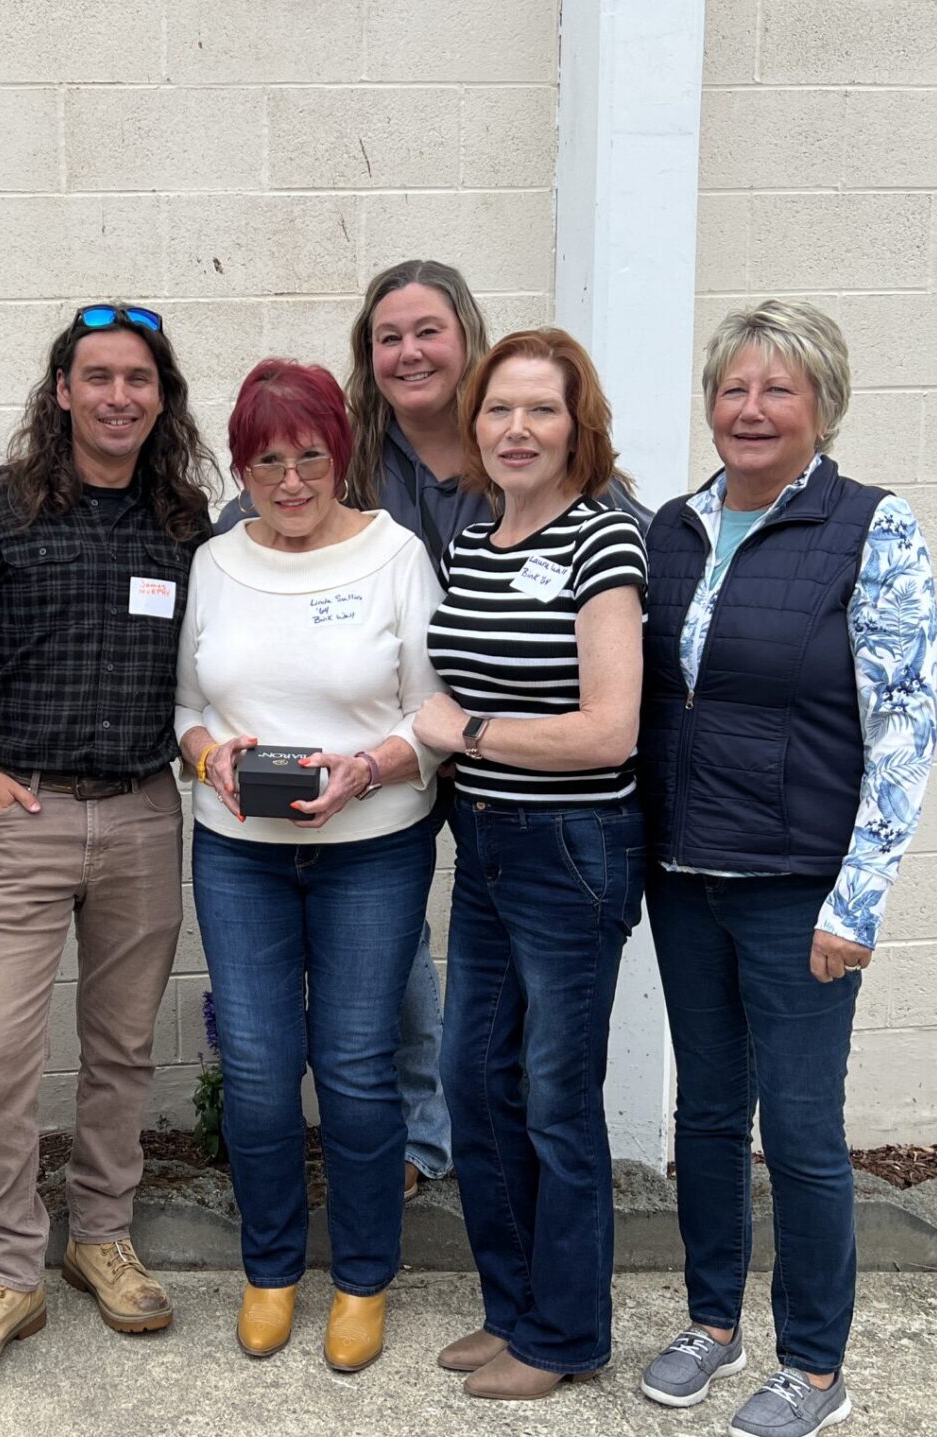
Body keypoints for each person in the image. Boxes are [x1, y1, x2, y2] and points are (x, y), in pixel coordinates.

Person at [634, 299, 937, 1437]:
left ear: (821, 406)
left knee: (800, 1128)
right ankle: (713, 1323)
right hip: (683, 875)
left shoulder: (871, 528)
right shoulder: (670, 527)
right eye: (732, 388)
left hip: (799, 886)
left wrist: (856, 898)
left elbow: (904, 722)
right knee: (705, 1114)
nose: (749, 409)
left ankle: (813, 1362)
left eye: (776, 390)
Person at [0, 305, 216, 1381]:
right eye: (97, 377)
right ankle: (6, 1266)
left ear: (160, 396)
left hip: (142, 811)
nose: (118, 397)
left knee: (122, 1049)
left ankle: (99, 1238)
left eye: (138, 379)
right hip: (23, 814)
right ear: (61, 391)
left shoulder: (186, 521)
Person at [175, 359, 447, 1374]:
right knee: (252, 1071)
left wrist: (367, 768)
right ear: (241, 466)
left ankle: (365, 1277)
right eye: (265, 461)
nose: (288, 481)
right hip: (239, 853)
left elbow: (434, 713)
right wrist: (212, 760)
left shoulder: (394, 557)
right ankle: (270, 1269)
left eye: (308, 457)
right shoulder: (215, 561)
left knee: (354, 1069)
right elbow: (183, 711)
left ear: (340, 454)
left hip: (370, 850)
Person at [215, 259, 496, 1202]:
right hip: (381, 768)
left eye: (428, 330)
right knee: (395, 962)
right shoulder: (353, 455)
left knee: (487, 968)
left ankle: (481, 1138)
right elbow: (258, 525)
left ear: (467, 336)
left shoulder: (514, 445)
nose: (409, 351)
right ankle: (418, 1140)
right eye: (389, 337)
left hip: (500, 752)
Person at [414, 329, 648, 1400]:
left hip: (571, 850)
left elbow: (607, 732)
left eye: (539, 411)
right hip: (490, 843)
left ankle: (566, 1335)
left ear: (576, 427)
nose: (515, 429)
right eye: (498, 410)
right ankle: (511, 1309)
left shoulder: (604, 545)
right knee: (473, 1079)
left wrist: (461, 733)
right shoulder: (473, 534)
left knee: (556, 1098)